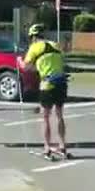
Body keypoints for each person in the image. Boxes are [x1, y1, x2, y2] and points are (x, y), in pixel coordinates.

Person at [22, 23, 71, 160]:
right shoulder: (55, 45)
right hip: (61, 83)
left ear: (32, 37)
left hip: (47, 85)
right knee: (60, 115)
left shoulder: (34, 47)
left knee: (45, 117)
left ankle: (47, 148)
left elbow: (26, 67)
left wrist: (19, 61)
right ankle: (62, 146)